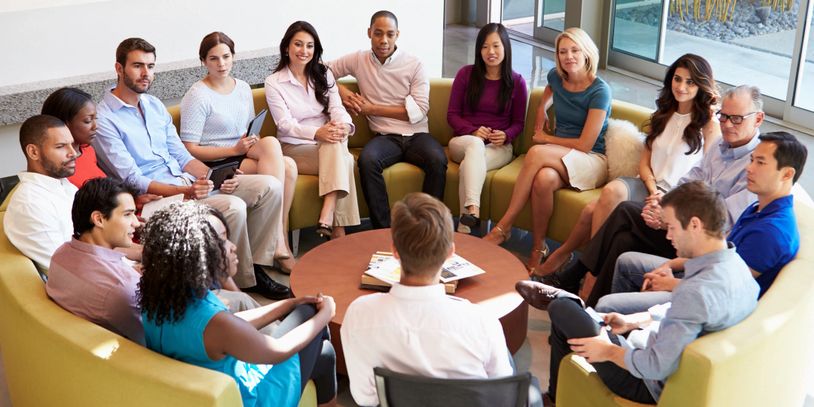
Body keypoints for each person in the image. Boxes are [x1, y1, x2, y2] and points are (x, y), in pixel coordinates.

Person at [519, 181, 759, 404]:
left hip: (644, 381)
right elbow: (688, 312)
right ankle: (574, 314)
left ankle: (556, 395)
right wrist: (635, 320)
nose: (668, 236)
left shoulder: (698, 290)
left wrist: (609, 351)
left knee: (562, 311)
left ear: (695, 225)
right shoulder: (734, 266)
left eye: (672, 227)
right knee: (580, 314)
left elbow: (655, 366)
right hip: (649, 346)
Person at [93, 37, 290, 300]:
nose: (146, 74)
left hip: (186, 183)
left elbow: (182, 155)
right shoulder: (104, 117)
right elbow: (132, 177)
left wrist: (215, 177)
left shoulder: (154, 106)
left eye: (150, 67)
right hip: (156, 199)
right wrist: (186, 190)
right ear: (119, 68)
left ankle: (255, 265)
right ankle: (243, 281)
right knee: (233, 206)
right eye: (138, 66)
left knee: (270, 186)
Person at [547, 85, 763, 306]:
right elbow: (689, 182)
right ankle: (592, 308)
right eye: (724, 116)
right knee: (623, 239)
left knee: (625, 211)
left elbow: (723, 221)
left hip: (698, 243)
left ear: (757, 119)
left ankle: (572, 276)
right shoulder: (720, 146)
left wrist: (670, 218)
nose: (727, 124)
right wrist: (664, 205)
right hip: (681, 223)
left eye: (736, 119)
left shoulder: (756, 165)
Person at [531, 54, 720, 278]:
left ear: (701, 84)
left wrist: (666, 199)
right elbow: (644, 162)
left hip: (677, 196)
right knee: (612, 191)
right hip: (648, 186)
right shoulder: (664, 113)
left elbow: (708, 177)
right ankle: (577, 269)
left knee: (593, 210)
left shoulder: (708, 124)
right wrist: (652, 190)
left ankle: (578, 269)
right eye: (677, 79)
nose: (681, 87)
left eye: (690, 82)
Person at [139, 202, 337, 407]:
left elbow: (228, 326)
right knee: (310, 311)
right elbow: (278, 350)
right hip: (253, 399)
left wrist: (287, 305)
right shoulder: (215, 323)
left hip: (208, 386)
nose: (233, 246)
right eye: (223, 239)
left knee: (325, 352)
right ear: (198, 253)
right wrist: (325, 314)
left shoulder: (162, 301)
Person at [341, 193, 521, 407]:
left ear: (394, 252)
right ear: (450, 253)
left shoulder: (359, 315)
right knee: (505, 360)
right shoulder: (481, 322)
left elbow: (365, 399)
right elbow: (500, 396)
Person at [595, 131, 805, 314]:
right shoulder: (759, 208)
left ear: (787, 174)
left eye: (760, 163)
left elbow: (725, 291)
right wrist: (670, 264)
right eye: (751, 160)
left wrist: (671, 283)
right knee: (626, 258)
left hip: (706, 301)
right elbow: (717, 258)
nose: (749, 169)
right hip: (701, 275)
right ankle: (598, 324)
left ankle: (603, 334)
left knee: (608, 305)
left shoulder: (771, 232)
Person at [483, 27, 612, 272]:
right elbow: (548, 95)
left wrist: (545, 139)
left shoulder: (599, 91)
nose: (569, 56)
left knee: (536, 153)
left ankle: (504, 227)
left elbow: (585, 144)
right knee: (542, 180)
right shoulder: (556, 77)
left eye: (575, 50)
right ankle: (538, 247)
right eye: (563, 51)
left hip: (591, 159)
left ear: (587, 53)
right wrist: (542, 109)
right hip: (561, 158)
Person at [181, 31, 297, 271]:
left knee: (274, 147)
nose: (221, 64)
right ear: (203, 61)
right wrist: (234, 148)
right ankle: (279, 241)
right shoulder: (197, 95)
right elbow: (189, 149)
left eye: (226, 56)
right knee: (288, 167)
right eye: (214, 59)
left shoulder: (243, 87)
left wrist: (249, 142)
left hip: (242, 152)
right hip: (217, 162)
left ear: (233, 56)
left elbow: (247, 130)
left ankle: (278, 238)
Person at [328, 10, 447, 229]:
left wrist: (372, 108)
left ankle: (430, 227)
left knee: (437, 160)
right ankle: (382, 229)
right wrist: (343, 92)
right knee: (367, 160)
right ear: (369, 33)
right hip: (385, 138)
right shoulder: (358, 59)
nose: (384, 40)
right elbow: (322, 70)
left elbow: (420, 109)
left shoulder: (414, 63)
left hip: (417, 134)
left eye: (389, 34)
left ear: (397, 35)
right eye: (378, 34)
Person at [265, 21, 360, 239]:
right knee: (345, 160)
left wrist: (344, 126)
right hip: (294, 147)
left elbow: (337, 108)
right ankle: (337, 228)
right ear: (286, 47)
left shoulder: (323, 73)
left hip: (328, 142)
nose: (304, 51)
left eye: (310, 46)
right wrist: (317, 133)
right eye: (298, 44)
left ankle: (330, 220)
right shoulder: (274, 82)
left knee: (336, 144)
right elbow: (284, 124)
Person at [447, 23, 527, 234]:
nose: (490, 52)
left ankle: (465, 227)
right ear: (478, 50)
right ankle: (473, 208)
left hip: (498, 148)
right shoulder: (466, 74)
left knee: (468, 167)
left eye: (496, 46)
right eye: (484, 47)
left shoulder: (517, 82)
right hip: (463, 142)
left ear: (506, 48)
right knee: (474, 145)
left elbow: (519, 122)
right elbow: (452, 115)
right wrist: (472, 130)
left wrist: (506, 134)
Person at [45, 178, 144, 344]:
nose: (136, 223)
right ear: (98, 219)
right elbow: (155, 341)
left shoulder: (61, 256)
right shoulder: (124, 288)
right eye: (127, 214)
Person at [3, 115, 77, 273]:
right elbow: (67, 269)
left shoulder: (65, 186)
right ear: (33, 152)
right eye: (60, 146)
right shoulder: (30, 204)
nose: (73, 153)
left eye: (72, 144)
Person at [40, 88, 106, 188]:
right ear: (63, 124)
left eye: (95, 118)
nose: (95, 126)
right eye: (88, 121)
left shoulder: (87, 149)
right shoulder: (55, 167)